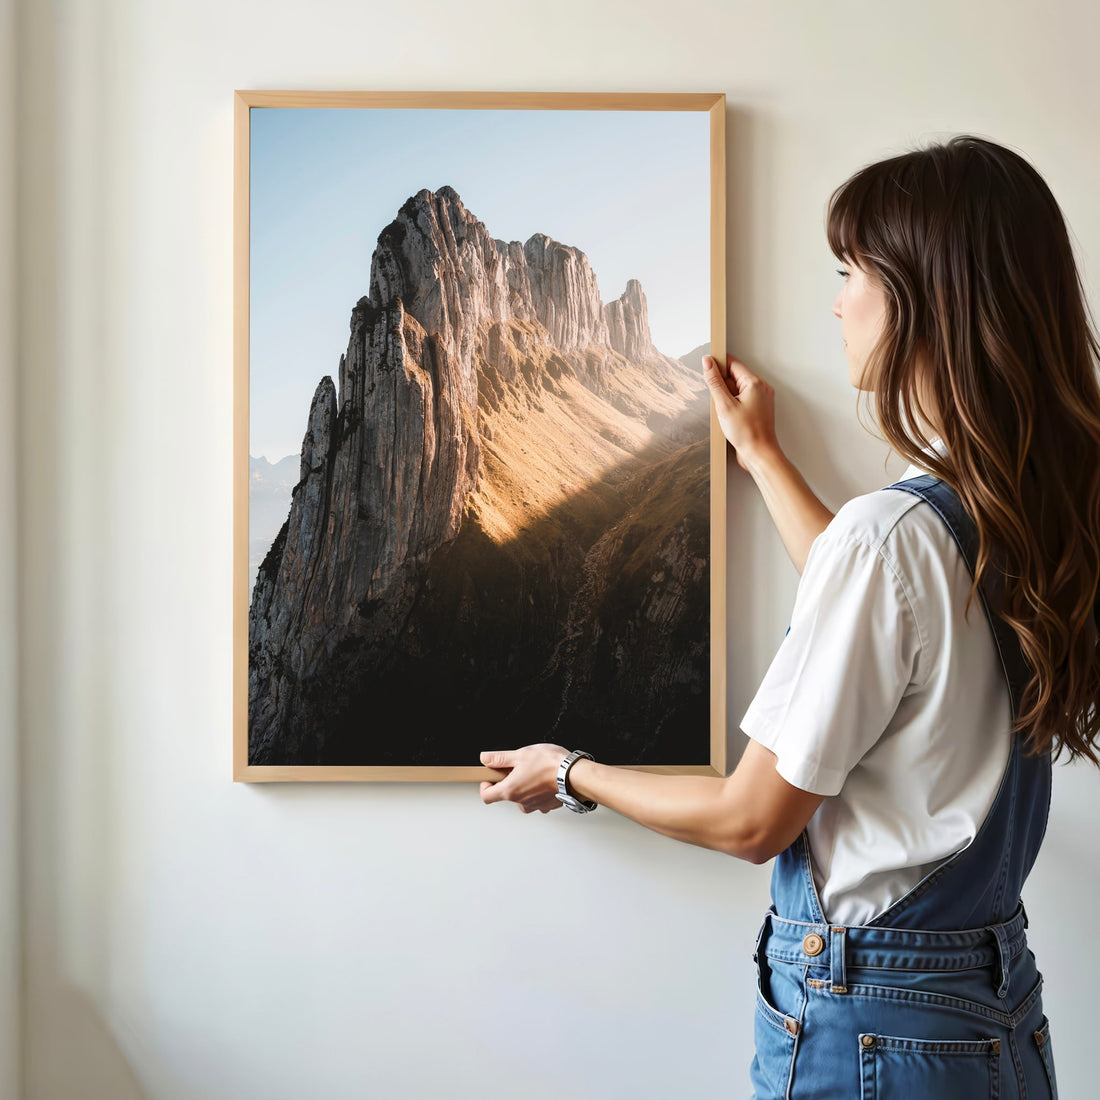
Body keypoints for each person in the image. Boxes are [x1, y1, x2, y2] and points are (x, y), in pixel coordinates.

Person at [477, 134, 1100, 1098]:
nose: (838, 299)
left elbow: (750, 819)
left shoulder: (894, 536)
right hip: (989, 1016)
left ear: (925, 300)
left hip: (873, 1030)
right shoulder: (1017, 508)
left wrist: (569, 772)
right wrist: (764, 456)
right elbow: (889, 624)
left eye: (852, 271)